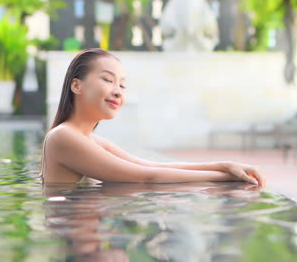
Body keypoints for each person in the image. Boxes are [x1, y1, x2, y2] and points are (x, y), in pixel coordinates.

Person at [40, 48, 266, 186]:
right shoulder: (63, 137)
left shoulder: (89, 139)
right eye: (108, 80)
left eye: (123, 84)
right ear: (77, 86)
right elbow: (146, 177)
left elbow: (150, 165)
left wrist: (225, 166)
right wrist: (227, 179)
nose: (118, 91)